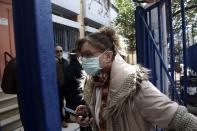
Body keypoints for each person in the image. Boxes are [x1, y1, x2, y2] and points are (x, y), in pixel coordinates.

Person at [74, 27, 197, 131]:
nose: (84, 60)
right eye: (82, 56)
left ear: (107, 56)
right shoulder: (96, 83)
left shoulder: (135, 88)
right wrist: (89, 113)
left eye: (88, 55)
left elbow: (184, 121)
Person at [55, 45, 68, 127]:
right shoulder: (54, 62)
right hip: (58, 87)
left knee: (66, 102)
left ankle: (67, 117)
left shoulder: (65, 61)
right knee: (60, 103)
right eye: (57, 51)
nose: (59, 52)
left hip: (65, 86)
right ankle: (62, 120)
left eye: (61, 51)